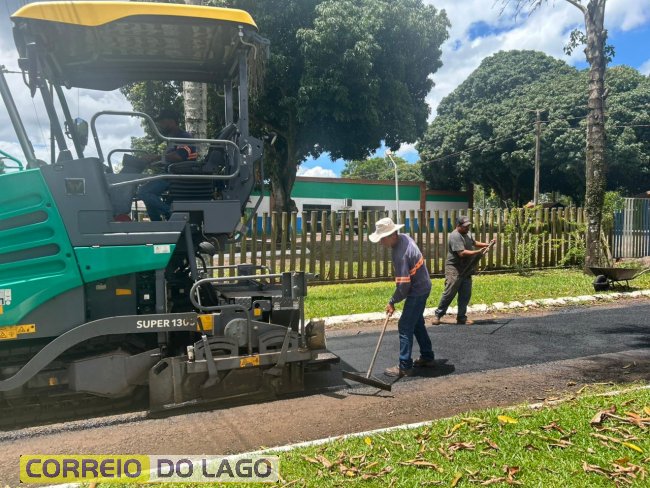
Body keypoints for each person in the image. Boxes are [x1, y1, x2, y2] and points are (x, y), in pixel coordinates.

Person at [369, 217, 435, 378]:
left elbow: (404, 286)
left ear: (392, 235)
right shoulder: (404, 237)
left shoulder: (401, 255)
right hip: (424, 285)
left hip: (417, 290)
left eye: (382, 238)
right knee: (416, 322)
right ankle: (427, 356)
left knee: (405, 325)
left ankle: (405, 366)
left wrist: (392, 302)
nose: (380, 243)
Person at [432, 216, 495, 325]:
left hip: (466, 268)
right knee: (449, 293)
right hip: (454, 269)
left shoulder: (467, 233)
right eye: (465, 226)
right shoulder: (455, 236)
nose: (467, 228)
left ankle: (461, 317)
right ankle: (438, 315)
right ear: (458, 226)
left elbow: (473, 242)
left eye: (468, 226)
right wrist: (477, 252)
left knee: (465, 294)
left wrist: (487, 244)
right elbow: (461, 253)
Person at [136, 109, 197, 221]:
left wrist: (157, 157)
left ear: (171, 122)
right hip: (171, 174)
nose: (160, 126)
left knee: (143, 192)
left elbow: (179, 156)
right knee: (146, 191)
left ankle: (171, 213)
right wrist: (153, 163)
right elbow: (169, 159)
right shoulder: (172, 139)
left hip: (177, 176)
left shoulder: (183, 136)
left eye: (162, 122)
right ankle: (157, 224)